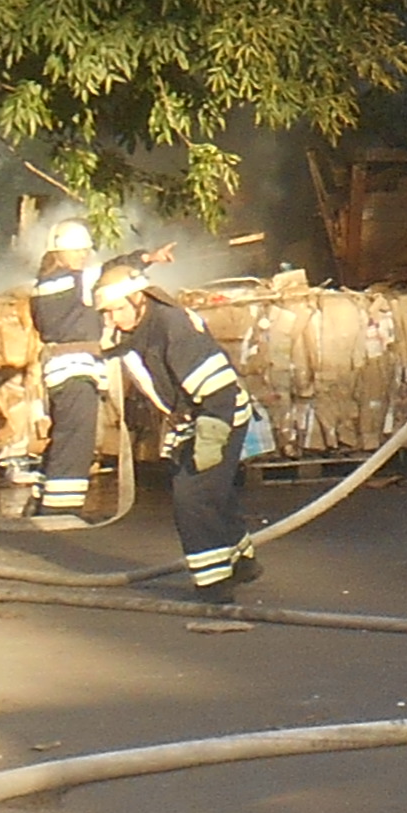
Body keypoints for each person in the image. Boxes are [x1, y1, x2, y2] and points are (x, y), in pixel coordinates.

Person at [100, 250, 261, 596]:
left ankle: (214, 583)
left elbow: (218, 387)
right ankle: (242, 560)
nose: (112, 320)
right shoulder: (138, 324)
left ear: (139, 299)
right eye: (107, 313)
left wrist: (211, 438)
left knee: (192, 498)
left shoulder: (172, 328)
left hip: (219, 416)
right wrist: (144, 257)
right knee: (213, 492)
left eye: (117, 310)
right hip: (193, 419)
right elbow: (112, 270)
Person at [25, 210, 106, 517]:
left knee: (65, 436)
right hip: (74, 370)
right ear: (61, 252)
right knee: (76, 442)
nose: (85, 256)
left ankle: (41, 500)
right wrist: (144, 259)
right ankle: (61, 512)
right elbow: (110, 273)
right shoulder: (66, 280)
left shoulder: (48, 281)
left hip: (64, 369)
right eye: (80, 250)